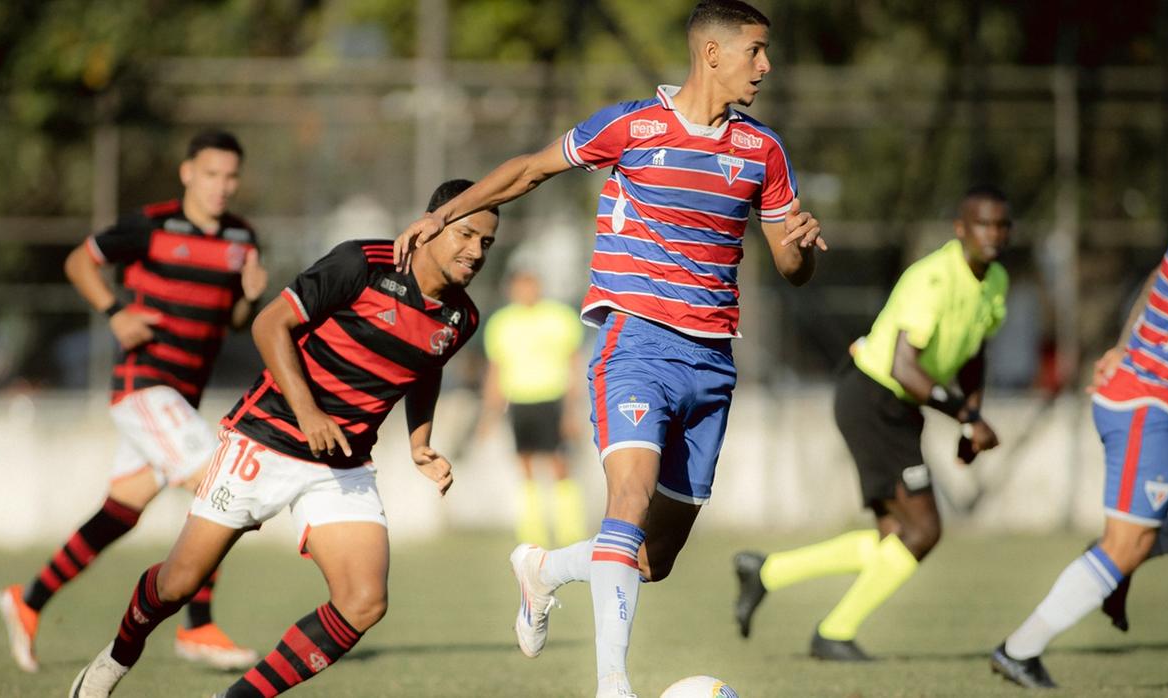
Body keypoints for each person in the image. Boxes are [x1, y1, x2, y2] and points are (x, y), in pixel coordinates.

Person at [393, 3, 824, 695]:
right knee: (627, 497)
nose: (766, 65)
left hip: (712, 362)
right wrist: (442, 214)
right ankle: (612, 685)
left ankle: (544, 569)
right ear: (711, 55)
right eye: (755, 51)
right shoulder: (630, 126)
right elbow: (529, 170)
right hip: (636, 345)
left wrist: (799, 249)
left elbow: (789, 265)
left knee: (655, 557)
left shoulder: (764, 151)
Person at [66, 179, 497, 698]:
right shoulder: (362, 263)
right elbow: (270, 324)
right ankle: (114, 661)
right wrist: (309, 411)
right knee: (177, 584)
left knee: (363, 602)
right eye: (467, 234)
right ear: (433, 224)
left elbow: (426, 365)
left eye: (487, 243)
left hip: (341, 465)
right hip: (264, 438)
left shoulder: (461, 317)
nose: (476, 252)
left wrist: (419, 442)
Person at [0, 130, 263, 673]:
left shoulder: (242, 237)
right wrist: (114, 311)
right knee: (221, 484)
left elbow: (234, 321)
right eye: (211, 174)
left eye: (230, 176)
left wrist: (251, 297)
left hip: (180, 398)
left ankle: (28, 601)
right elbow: (79, 263)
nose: (221, 186)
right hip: (145, 386)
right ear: (188, 172)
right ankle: (198, 626)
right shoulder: (151, 224)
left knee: (122, 510)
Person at [733, 186, 1011, 661]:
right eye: (983, 224)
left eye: (1003, 225)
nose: (994, 234)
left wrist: (972, 419)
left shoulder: (996, 280)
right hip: (872, 396)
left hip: (896, 406)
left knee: (895, 539)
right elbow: (905, 367)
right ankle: (833, 633)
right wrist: (966, 417)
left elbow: (975, 352)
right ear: (960, 229)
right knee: (922, 532)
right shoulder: (934, 279)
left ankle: (768, 572)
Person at [992, 159, 1168, 689]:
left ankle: (1119, 555)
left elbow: (1154, 280)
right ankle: (1018, 649)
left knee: (1135, 543)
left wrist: (1123, 344)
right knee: (1126, 545)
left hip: (1167, 407)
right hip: (1145, 405)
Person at [480, 268, 588, 547]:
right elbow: (496, 370)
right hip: (519, 402)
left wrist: (571, 410)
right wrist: (489, 414)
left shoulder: (559, 317)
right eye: (520, 286)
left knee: (559, 465)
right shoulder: (501, 323)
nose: (525, 291)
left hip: (552, 400)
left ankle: (569, 531)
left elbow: (574, 365)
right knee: (525, 466)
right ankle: (532, 534)